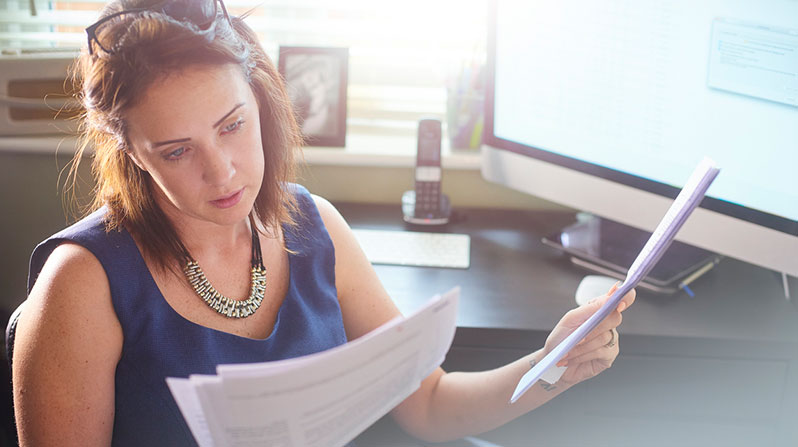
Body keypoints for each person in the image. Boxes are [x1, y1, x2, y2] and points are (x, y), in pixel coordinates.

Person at [11, 0, 636, 445]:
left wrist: (550, 367)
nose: (222, 172)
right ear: (132, 154)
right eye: (177, 152)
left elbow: (427, 403)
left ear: (260, 100)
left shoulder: (314, 226)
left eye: (233, 125)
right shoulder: (81, 286)